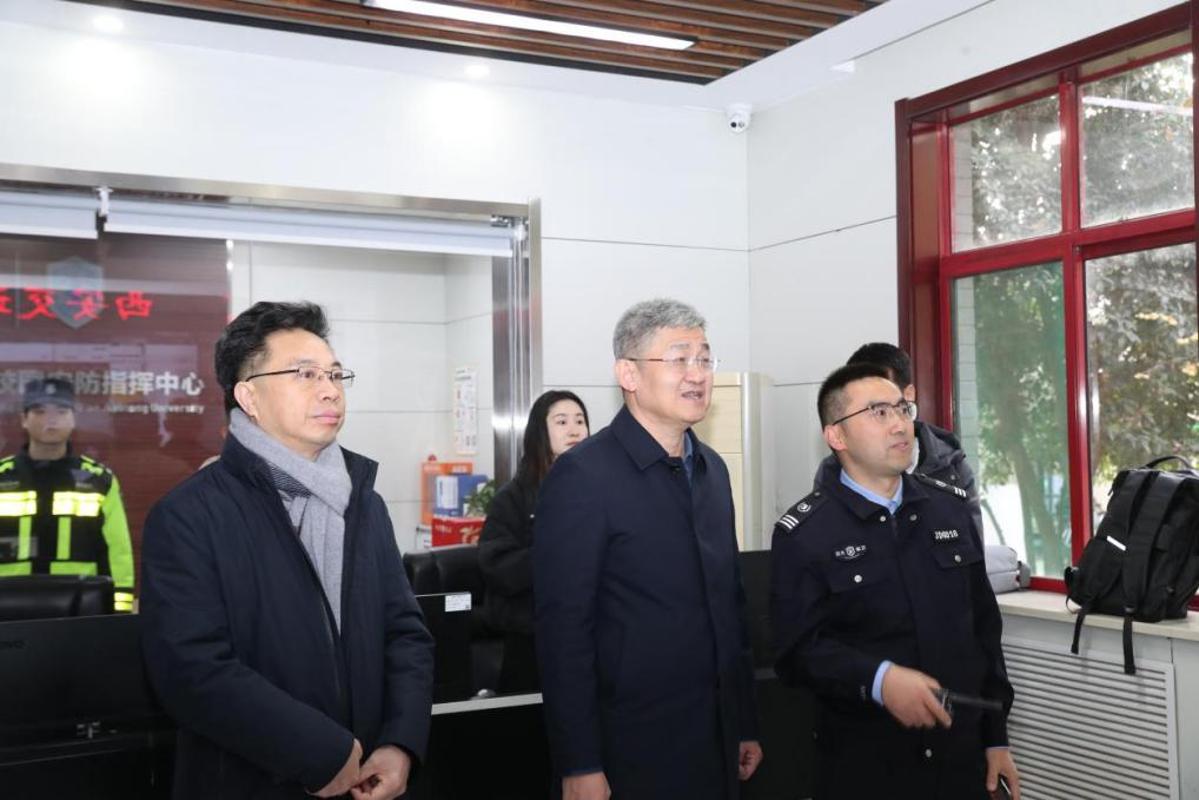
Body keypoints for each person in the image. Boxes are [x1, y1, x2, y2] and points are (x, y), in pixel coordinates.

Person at [140, 301, 434, 800]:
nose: (330, 389)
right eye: (305, 374)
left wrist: (399, 743)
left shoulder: (364, 504)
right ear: (248, 397)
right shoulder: (189, 515)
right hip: (247, 783)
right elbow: (192, 671)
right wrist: (320, 754)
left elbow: (405, 634)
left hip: (367, 778)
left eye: (335, 374)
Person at [534, 298, 762, 800]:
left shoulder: (712, 470)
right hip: (628, 749)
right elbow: (563, 632)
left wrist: (743, 721)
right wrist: (579, 762)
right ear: (629, 374)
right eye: (679, 359)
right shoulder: (582, 477)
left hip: (715, 739)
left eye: (704, 359)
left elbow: (730, 605)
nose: (697, 374)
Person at [771, 363, 1019, 800]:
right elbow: (797, 653)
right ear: (836, 436)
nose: (900, 424)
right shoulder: (806, 533)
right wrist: (879, 679)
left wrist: (996, 738)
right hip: (868, 765)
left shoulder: (949, 510)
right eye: (878, 412)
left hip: (960, 759)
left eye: (903, 409)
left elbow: (983, 629)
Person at [478, 389, 590, 694]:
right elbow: (497, 566)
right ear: (540, 432)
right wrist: (556, 554)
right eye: (562, 422)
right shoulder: (513, 498)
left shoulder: (602, 490)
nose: (574, 430)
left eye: (580, 421)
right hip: (531, 640)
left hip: (591, 635)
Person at [817, 342, 982, 537]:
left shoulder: (950, 465)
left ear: (908, 396)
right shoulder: (833, 472)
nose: (897, 426)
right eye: (879, 411)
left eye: (897, 406)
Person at [0, 378, 135, 612]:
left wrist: (119, 612)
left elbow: (118, 552)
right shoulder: (3, 477)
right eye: (40, 412)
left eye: (61, 412)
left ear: (73, 419)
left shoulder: (97, 480)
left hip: (80, 605)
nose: (51, 420)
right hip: (8, 603)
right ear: (24, 419)